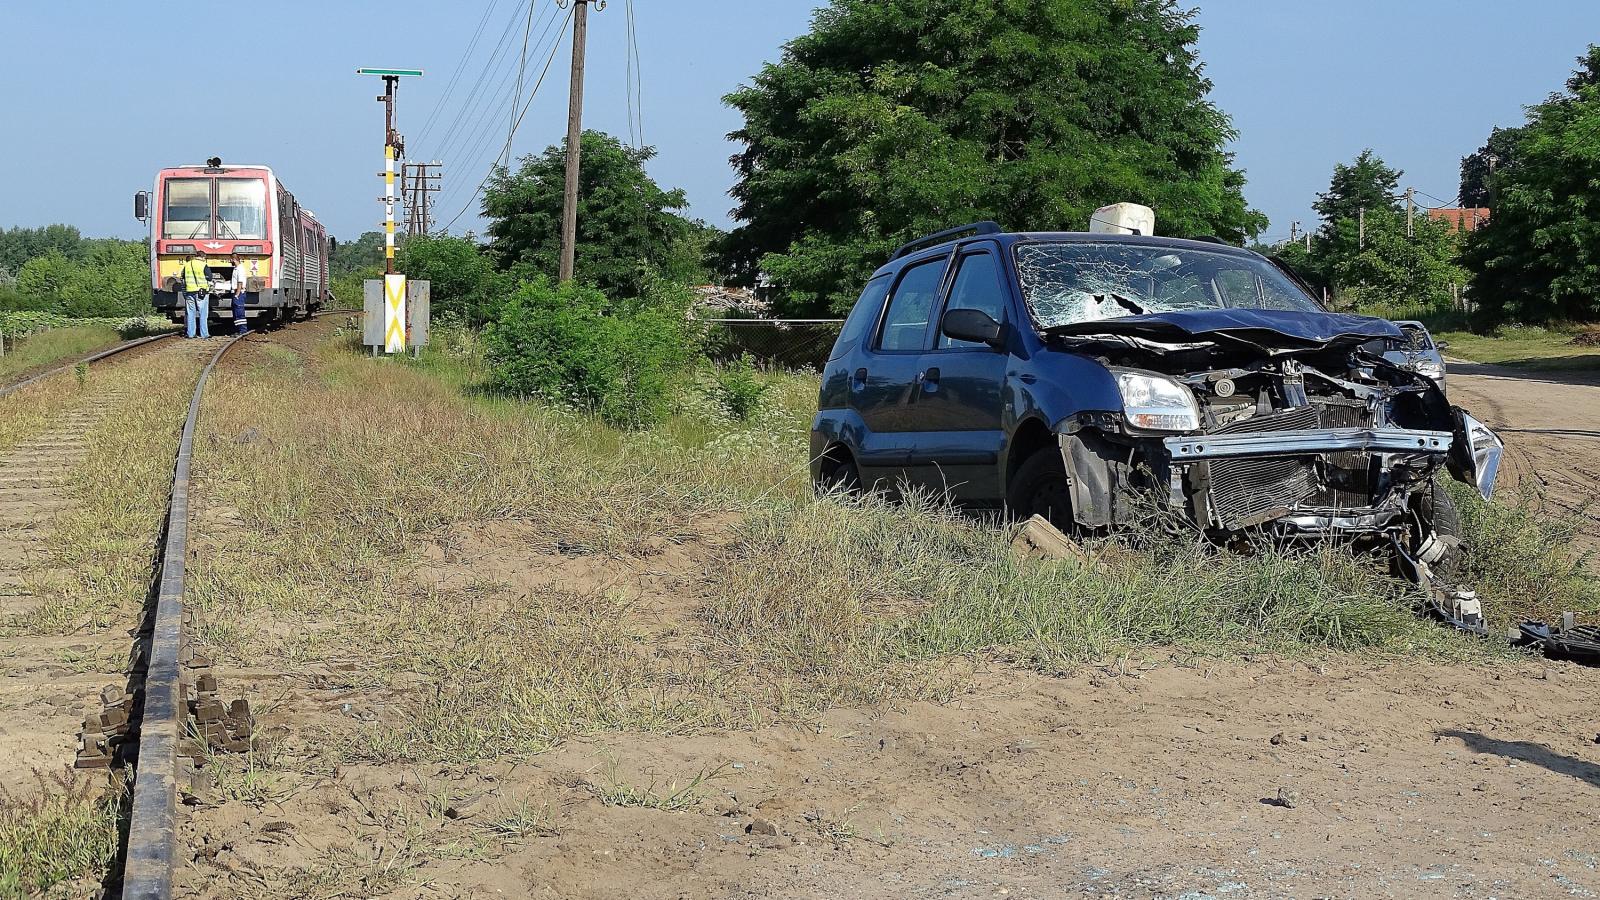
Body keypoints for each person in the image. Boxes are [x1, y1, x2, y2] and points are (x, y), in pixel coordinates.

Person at [180, 251, 211, 339]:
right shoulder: (203, 265)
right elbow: (210, 277)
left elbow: (183, 277)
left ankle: (190, 333)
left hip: (189, 291)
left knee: (190, 313)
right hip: (201, 292)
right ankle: (204, 334)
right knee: (203, 313)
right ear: (202, 257)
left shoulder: (187, 265)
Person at [229, 254, 253, 335]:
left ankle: (242, 330)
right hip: (235, 292)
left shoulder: (240, 269)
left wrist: (237, 294)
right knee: (236, 312)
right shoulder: (236, 269)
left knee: (239, 312)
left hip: (239, 292)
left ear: (234, 259)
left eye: (231, 260)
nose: (230, 261)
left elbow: (240, 282)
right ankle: (238, 329)